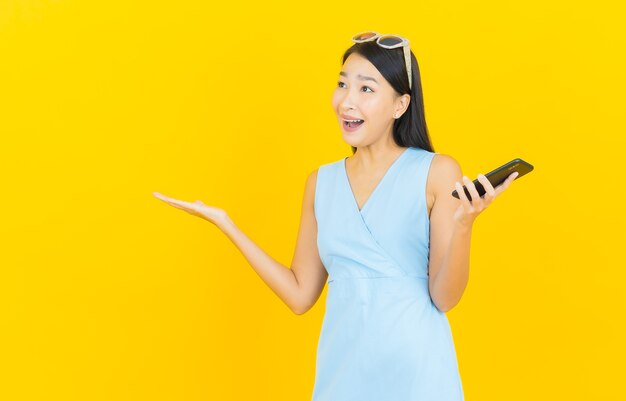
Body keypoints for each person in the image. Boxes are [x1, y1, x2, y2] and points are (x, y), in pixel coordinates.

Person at [152, 31, 518, 401]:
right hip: (342, 376)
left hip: (418, 375)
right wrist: (226, 224)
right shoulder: (321, 183)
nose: (346, 101)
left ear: (400, 105)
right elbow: (299, 296)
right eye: (342, 84)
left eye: (366, 89)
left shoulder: (437, 172)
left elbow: (444, 298)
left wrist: (464, 226)